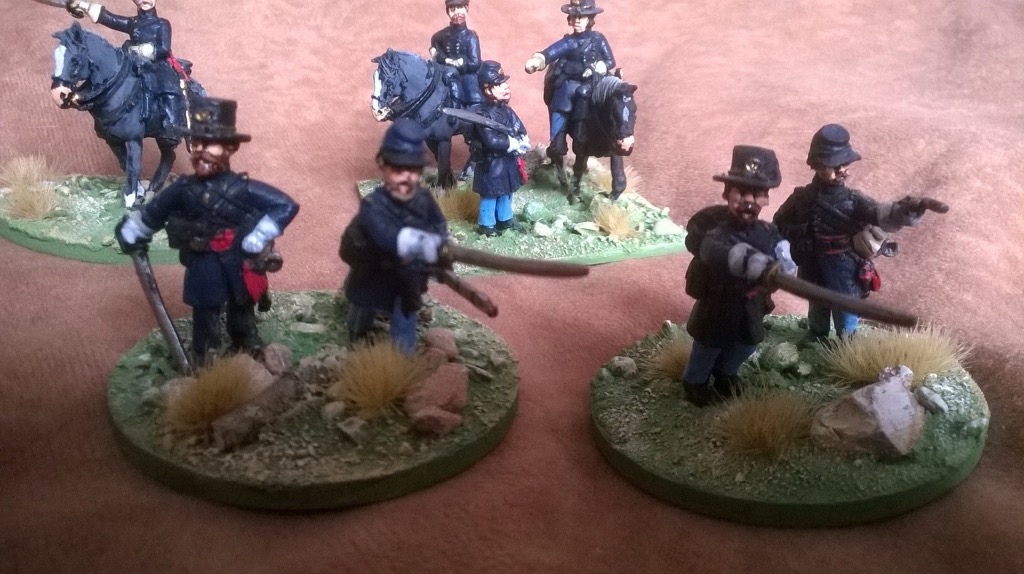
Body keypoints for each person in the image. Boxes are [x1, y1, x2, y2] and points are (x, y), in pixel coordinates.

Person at [116, 97, 300, 366]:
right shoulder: (182, 189)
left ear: (230, 147)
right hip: (204, 260)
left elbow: (286, 205)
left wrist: (260, 235)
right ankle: (205, 357)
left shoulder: (243, 188)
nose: (202, 150)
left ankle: (246, 341)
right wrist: (134, 230)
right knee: (205, 309)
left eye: (210, 143)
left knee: (242, 304)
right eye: (198, 143)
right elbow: (153, 213)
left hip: (239, 257)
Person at [773, 124, 941, 341]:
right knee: (816, 300)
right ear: (817, 166)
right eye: (835, 165)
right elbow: (778, 223)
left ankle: (847, 341)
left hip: (844, 263)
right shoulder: (801, 198)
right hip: (812, 260)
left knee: (846, 304)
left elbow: (881, 214)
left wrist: (907, 210)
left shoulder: (854, 200)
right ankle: (816, 334)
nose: (842, 170)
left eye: (845, 164)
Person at [681, 146, 796, 407]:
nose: (749, 201)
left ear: (766, 200)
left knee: (747, 343)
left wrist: (785, 262)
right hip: (718, 302)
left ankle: (726, 373)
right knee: (708, 346)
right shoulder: (715, 230)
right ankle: (695, 382)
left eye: (757, 195)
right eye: (741, 193)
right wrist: (752, 262)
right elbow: (713, 251)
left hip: (750, 303)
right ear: (727, 194)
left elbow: (783, 255)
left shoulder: (768, 232)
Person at [339, 119, 449, 355]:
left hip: (407, 276)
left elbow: (438, 223)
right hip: (375, 272)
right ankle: (356, 335)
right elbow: (386, 236)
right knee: (363, 307)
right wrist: (426, 245)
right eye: (399, 170)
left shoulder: (423, 199)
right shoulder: (373, 205)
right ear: (384, 166)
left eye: (414, 170)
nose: (406, 178)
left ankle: (402, 356)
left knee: (405, 313)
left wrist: (440, 241)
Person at [67, 0, 186, 131]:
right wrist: (83, 6)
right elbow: (111, 19)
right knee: (113, 75)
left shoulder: (162, 24)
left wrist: (137, 50)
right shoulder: (133, 23)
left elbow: (164, 48)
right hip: (135, 61)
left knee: (168, 85)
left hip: (157, 63)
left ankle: (172, 125)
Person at [524, 0, 615, 162]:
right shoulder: (569, 42)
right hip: (570, 84)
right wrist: (538, 60)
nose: (577, 21)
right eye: (574, 17)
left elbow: (610, 61)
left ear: (590, 19)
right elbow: (552, 52)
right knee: (560, 104)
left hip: (593, 83)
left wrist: (601, 66)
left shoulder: (598, 39)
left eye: (582, 17)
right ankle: (557, 141)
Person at [471, 61, 530, 236]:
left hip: (508, 162)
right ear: (487, 90)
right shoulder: (483, 115)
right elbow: (492, 141)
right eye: (499, 84)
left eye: (504, 82)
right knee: (490, 195)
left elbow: (519, 127)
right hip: (492, 164)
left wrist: (523, 138)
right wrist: (512, 143)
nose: (506, 87)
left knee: (506, 192)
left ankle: (505, 219)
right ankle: (487, 224)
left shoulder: (507, 111)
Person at [429, 0, 483, 109]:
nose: (457, 13)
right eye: (452, 10)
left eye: (460, 8)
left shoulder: (471, 37)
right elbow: (436, 53)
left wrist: (462, 63)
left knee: (474, 99)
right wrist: (446, 60)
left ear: (466, 9)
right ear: (448, 12)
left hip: (466, 76)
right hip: (446, 76)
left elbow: (475, 62)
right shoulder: (440, 36)